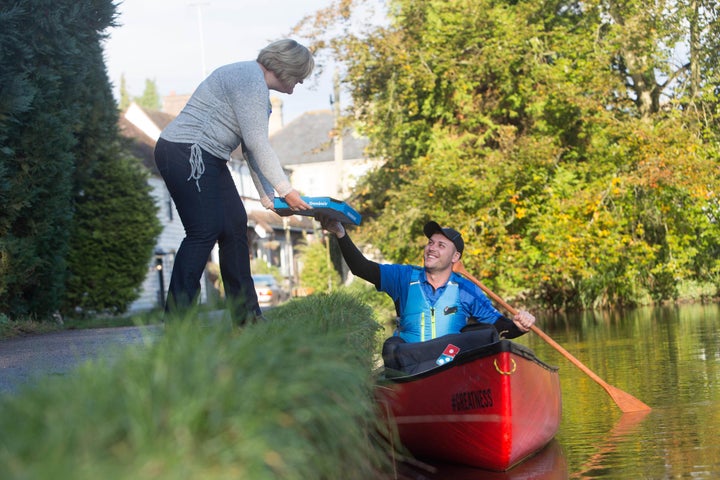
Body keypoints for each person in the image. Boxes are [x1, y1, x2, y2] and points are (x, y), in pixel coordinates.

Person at [154, 39, 314, 324]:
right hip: (186, 151)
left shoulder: (257, 89)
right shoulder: (249, 79)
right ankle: (176, 323)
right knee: (205, 230)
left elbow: (252, 149)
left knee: (235, 226)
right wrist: (286, 190)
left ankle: (247, 318)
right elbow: (257, 143)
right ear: (290, 67)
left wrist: (269, 198)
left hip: (209, 157)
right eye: (301, 75)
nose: (300, 82)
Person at [318, 217, 536, 342]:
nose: (432, 248)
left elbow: (500, 326)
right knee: (392, 345)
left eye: (441, 246)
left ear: (455, 257)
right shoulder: (403, 278)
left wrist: (519, 326)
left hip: (450, 365)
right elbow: (360, 267)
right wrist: (340, 233)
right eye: (431, 243)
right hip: (411, 364)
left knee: (484, 333)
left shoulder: (465, 289)